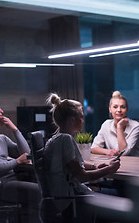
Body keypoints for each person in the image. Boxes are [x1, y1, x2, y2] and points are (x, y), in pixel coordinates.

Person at [42, 93, 120, 222]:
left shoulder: (55, 140)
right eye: (81, 117)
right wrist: (109, 170)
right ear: (72, 120)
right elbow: (82, 176)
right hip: (72, 203)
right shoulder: (65, 139)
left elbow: (72, 164)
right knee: (121, 196)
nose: (83, 121)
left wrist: (95, 166)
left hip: (63, 200)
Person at [91, 91, 139, 156]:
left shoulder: (136, 126)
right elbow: (93, 148)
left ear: (127, 109)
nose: (119, 110)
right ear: (110, 109)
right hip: (114, 162)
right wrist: (108, 152)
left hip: (136, 162)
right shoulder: (106, 124)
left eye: (123, 107)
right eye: (115, 107)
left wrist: (119, 127)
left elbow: (124, 152)